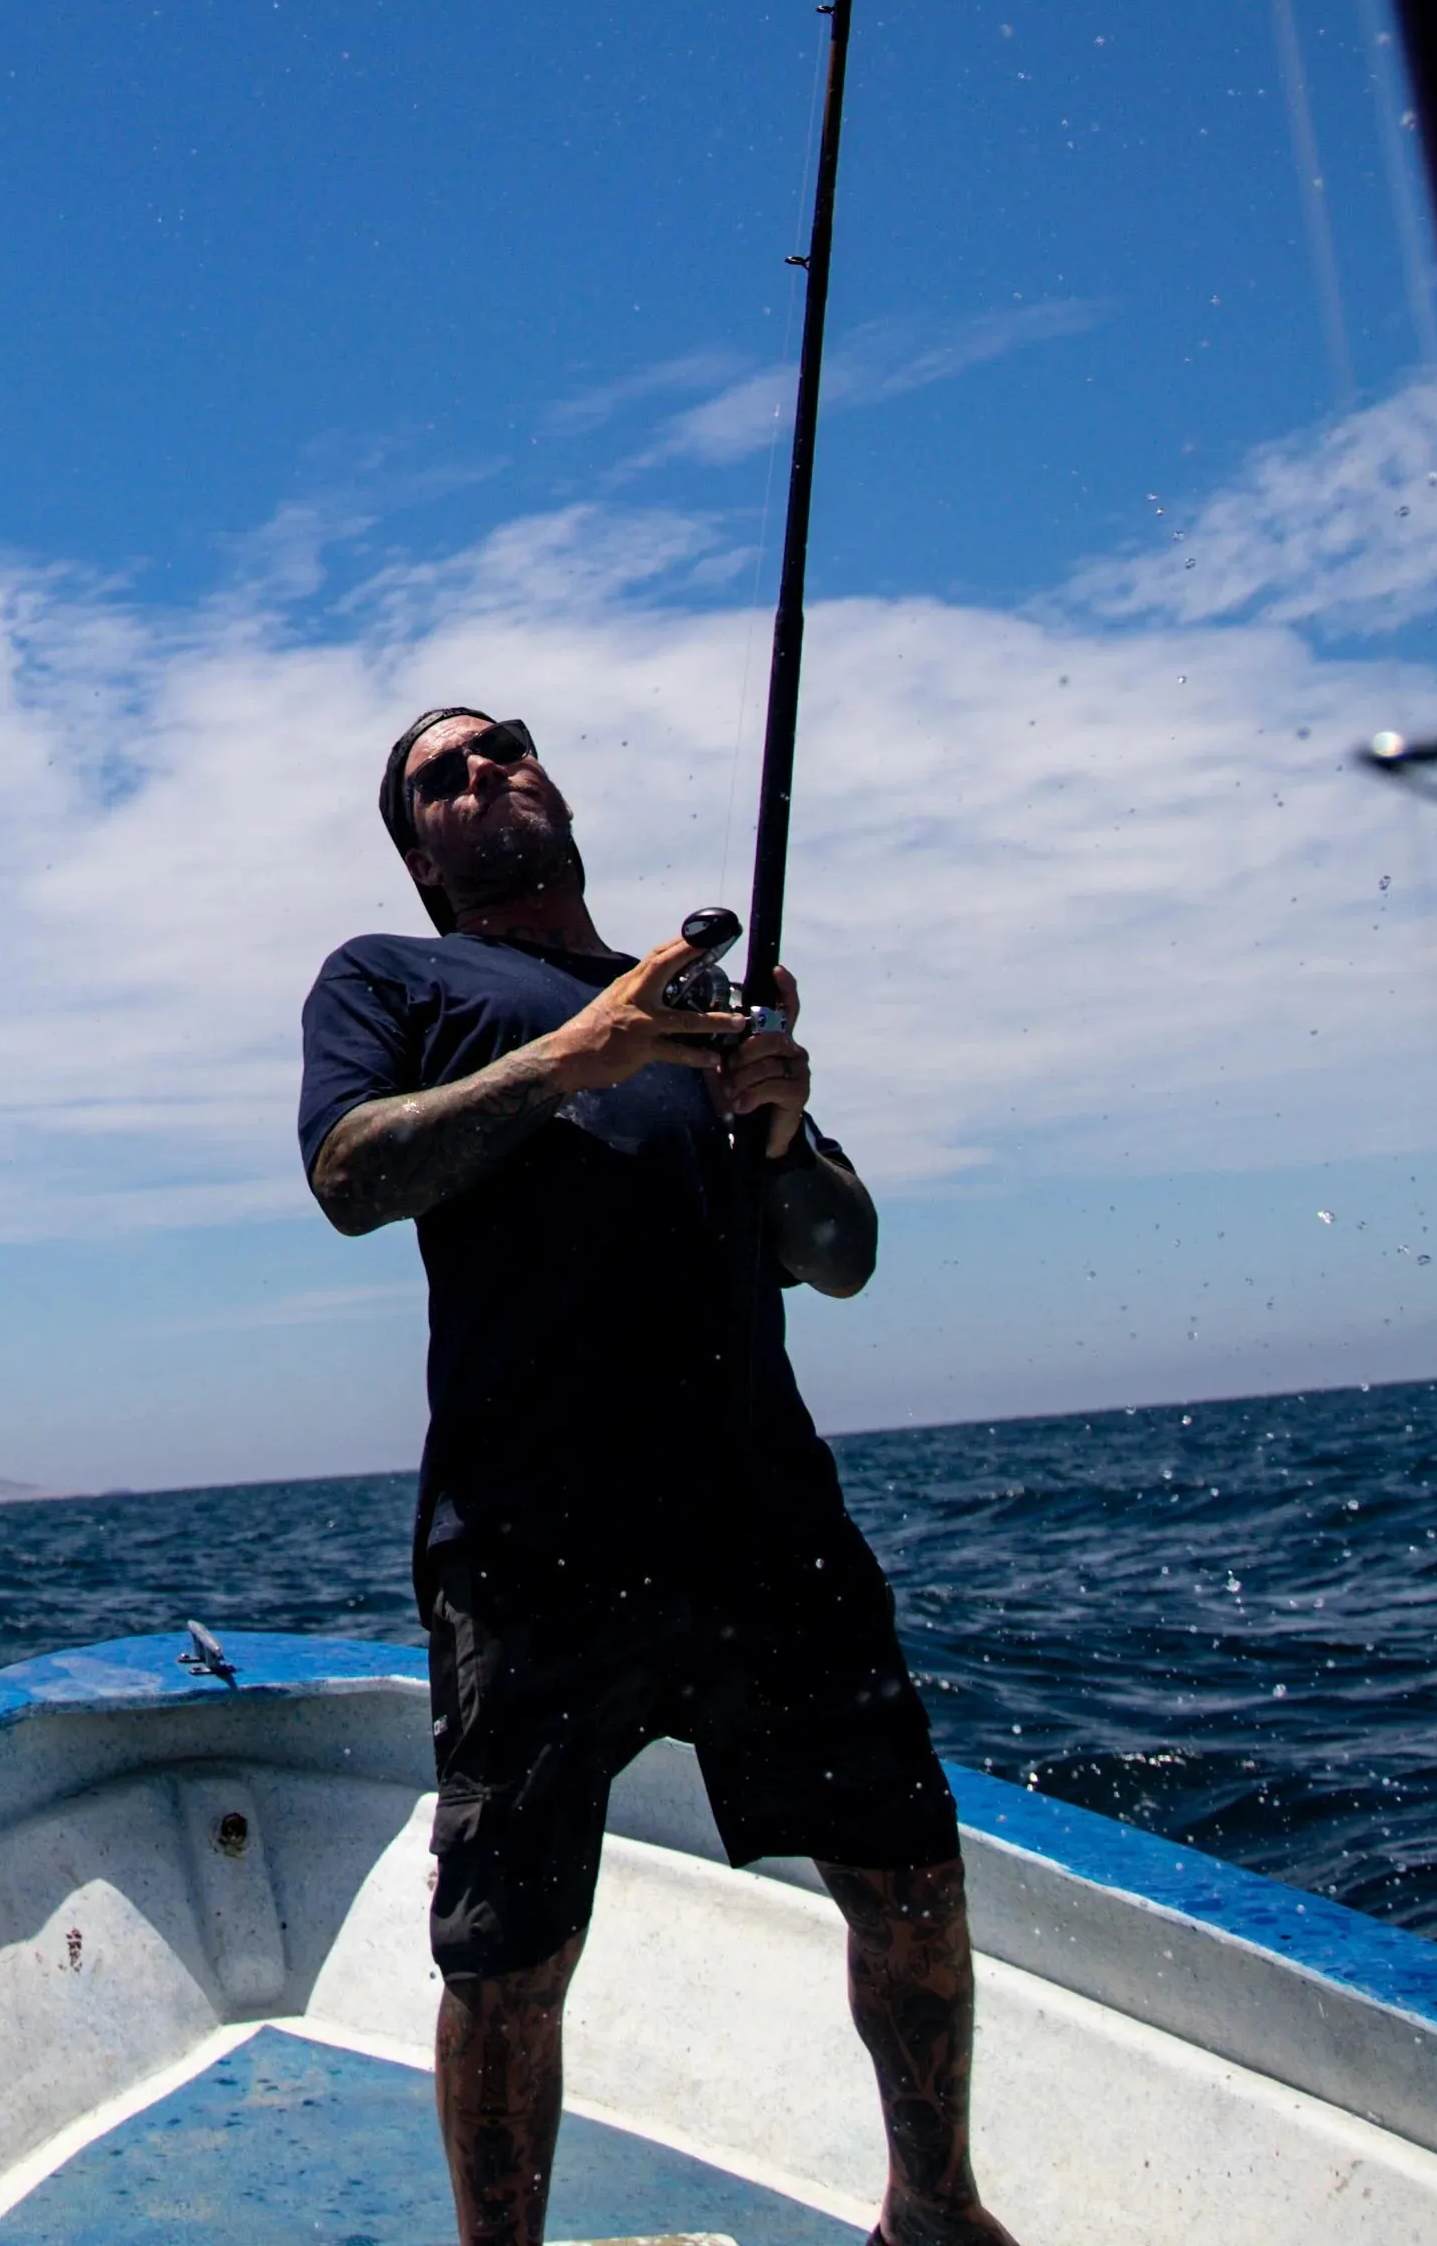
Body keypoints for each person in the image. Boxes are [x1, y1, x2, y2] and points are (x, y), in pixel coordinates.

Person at [299, 704, 1019, 2246]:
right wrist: (576, 1055)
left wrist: (784, 1127)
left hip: (767, 1518)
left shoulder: (704, 1013)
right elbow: (352, 1176)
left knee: (905, 1877)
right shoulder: (393, 978)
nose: (490, 771)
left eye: (506, 746)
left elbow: (842, 1261)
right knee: (508, 1951)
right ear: (419, 850)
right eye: (446, 772)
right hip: (529, 1537)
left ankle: (936, 2213)